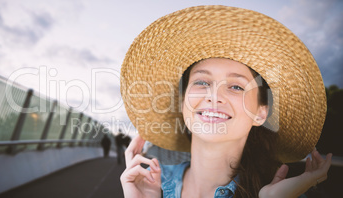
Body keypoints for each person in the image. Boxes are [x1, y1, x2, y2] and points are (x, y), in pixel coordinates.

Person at [119, 5, 332, 198]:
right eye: (202, 82)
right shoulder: (146, 186)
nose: (214, 95)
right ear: (183, 103)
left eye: (236, 87)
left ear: (260, 114)